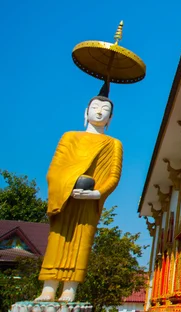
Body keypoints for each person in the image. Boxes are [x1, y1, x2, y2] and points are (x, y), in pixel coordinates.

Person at [35, 95, 123, 302]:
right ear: (86, 112)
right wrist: (70, 184)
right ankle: (48, 287)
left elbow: (113, 176)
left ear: (110, 119)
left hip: (89, 202)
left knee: (82, 242)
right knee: (57, 239)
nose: (99, 112)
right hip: (66, 197)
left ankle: (70, 288)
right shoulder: (69, 138)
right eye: (95, 107)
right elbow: (54, 171)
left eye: (105, 110)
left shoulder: (114, 144)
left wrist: (97, 193)